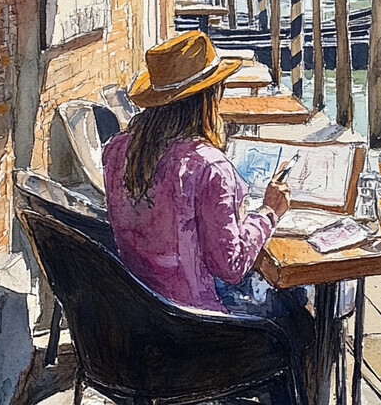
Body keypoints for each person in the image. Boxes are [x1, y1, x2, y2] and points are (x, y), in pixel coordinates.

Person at [102, 30, 314, 370]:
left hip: (137, 319)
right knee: (298, 310)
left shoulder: (116, 151)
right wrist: (269, 213)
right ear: (209, 97)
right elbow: (230, 267)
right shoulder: (209, 167)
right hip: (196, 329)